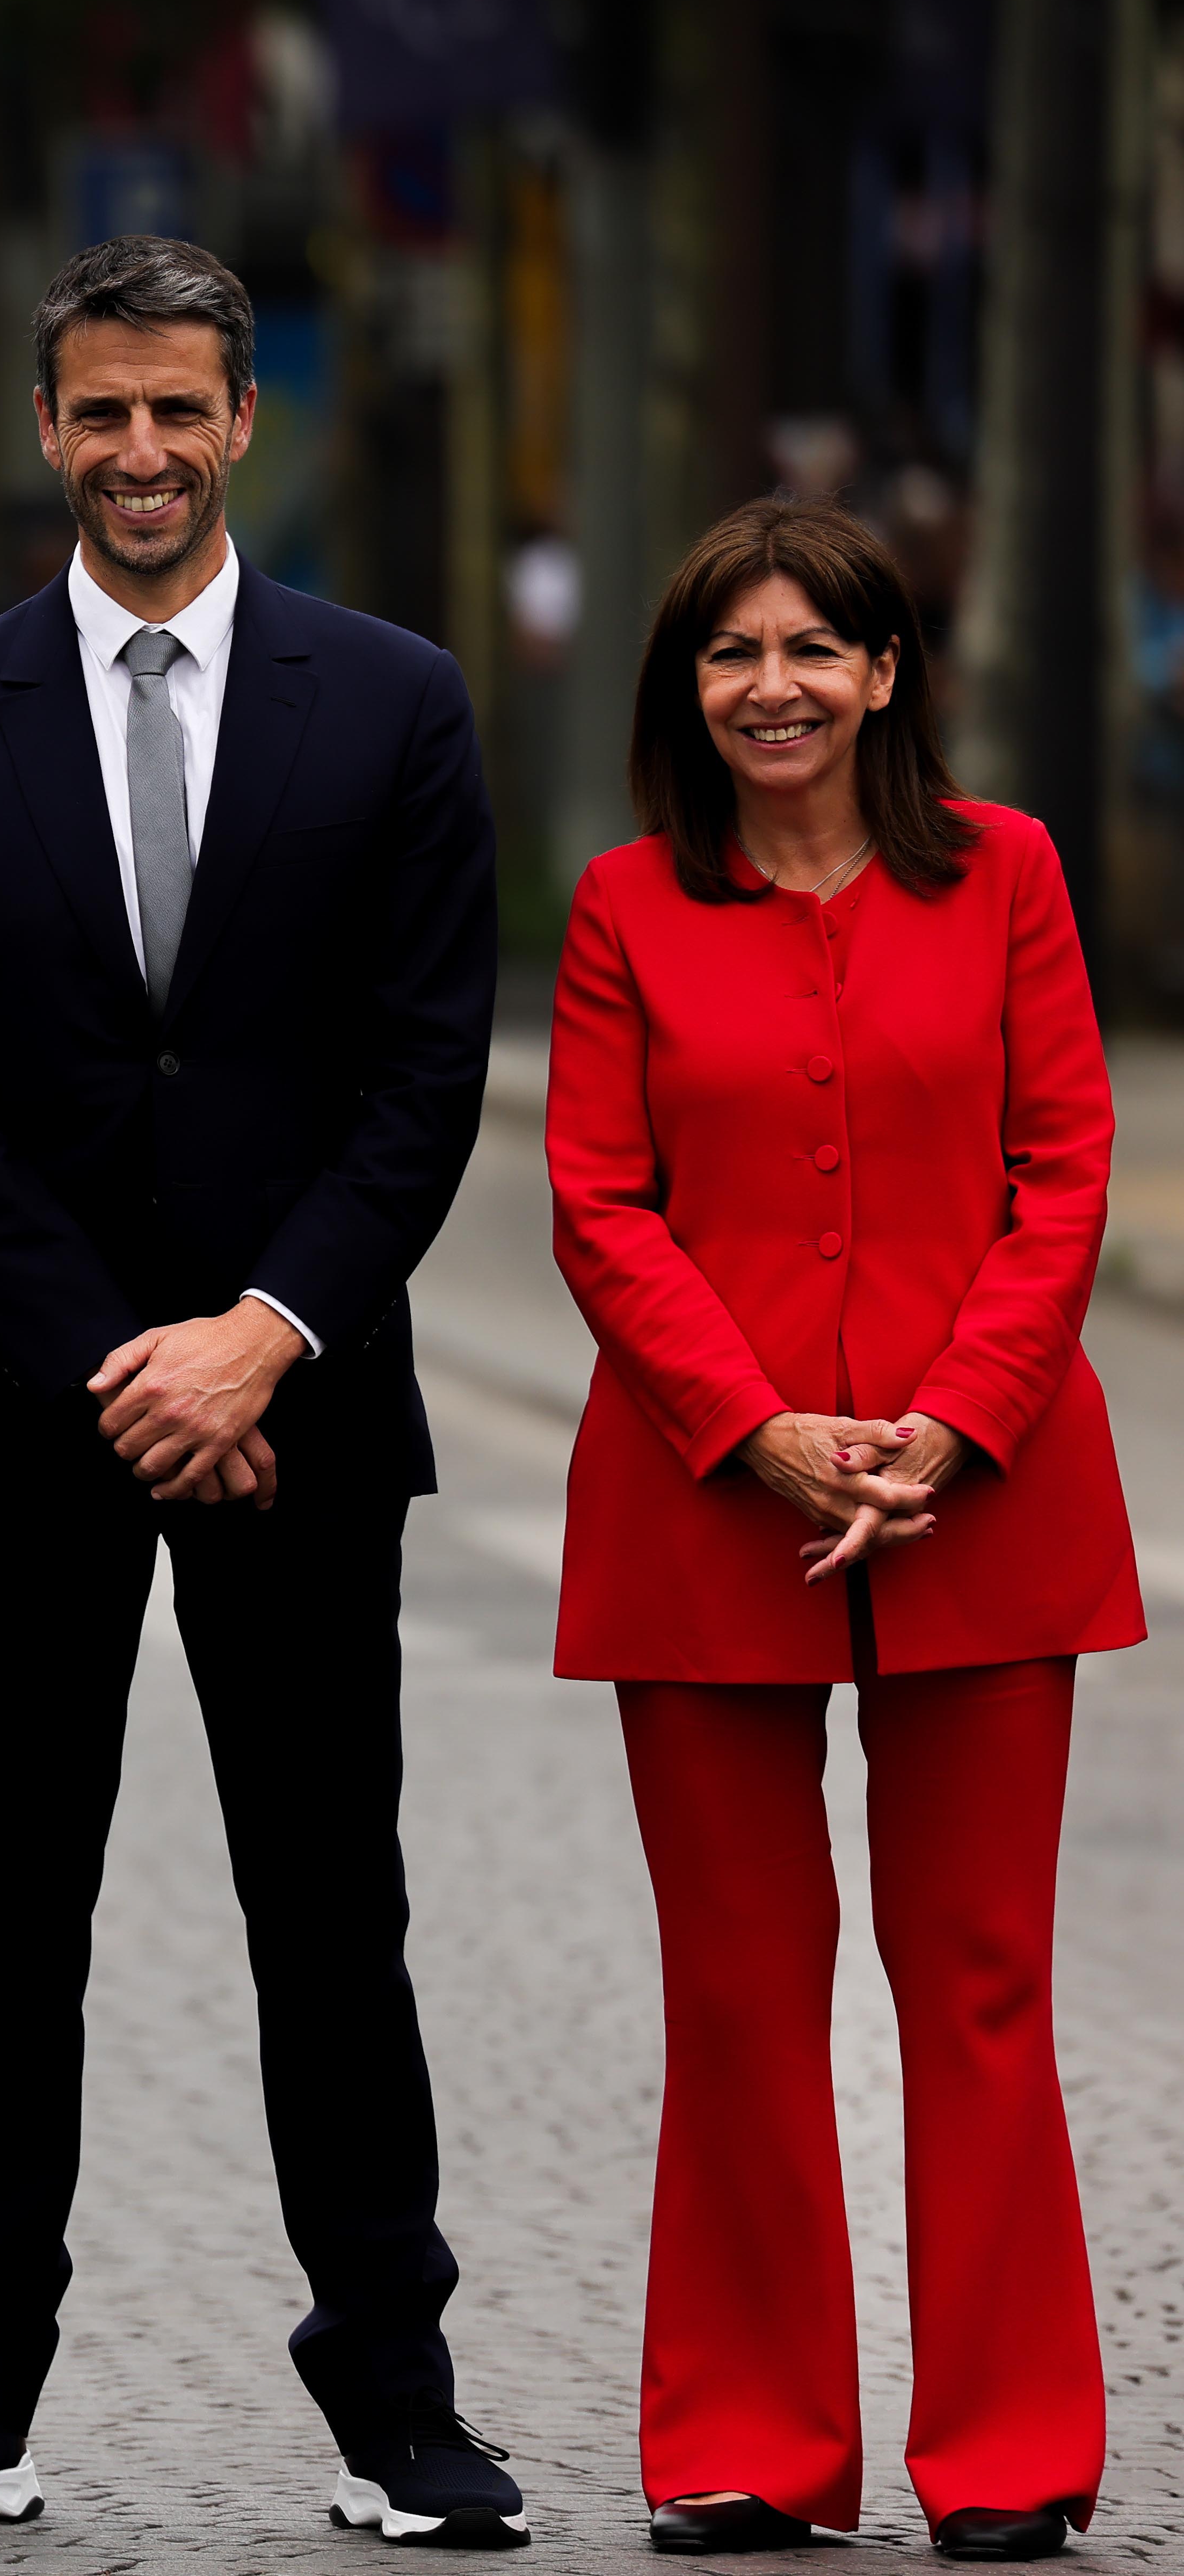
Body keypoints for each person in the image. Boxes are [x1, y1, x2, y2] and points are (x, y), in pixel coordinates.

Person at [0, 236, 521, 2546]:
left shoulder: (395, 702)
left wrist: (261, 1334)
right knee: (5, 1920)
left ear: (247, 427)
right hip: (32, 1407)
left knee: (332, 1909)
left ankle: (399, 2405)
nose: (140, 452)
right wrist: (118, 1359)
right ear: (43, 429)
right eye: (98, 413)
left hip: (300, 1404)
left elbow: (427, 1072)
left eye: (179, 413)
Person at [546, 497, 1139, 2564]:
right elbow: (597, 1206)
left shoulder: (1011, 881)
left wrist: (954, 1427)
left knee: (977, 1981)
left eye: (814, 647)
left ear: (886, 672)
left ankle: (1006, 2451)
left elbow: (1061, 1165)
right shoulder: (623, 904)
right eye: (731, 653)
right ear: (685, 691)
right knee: (734, 1984)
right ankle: (747, 2441)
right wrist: (756, 1431)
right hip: (706, 1509)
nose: (773, 685)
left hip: (984, 1504)